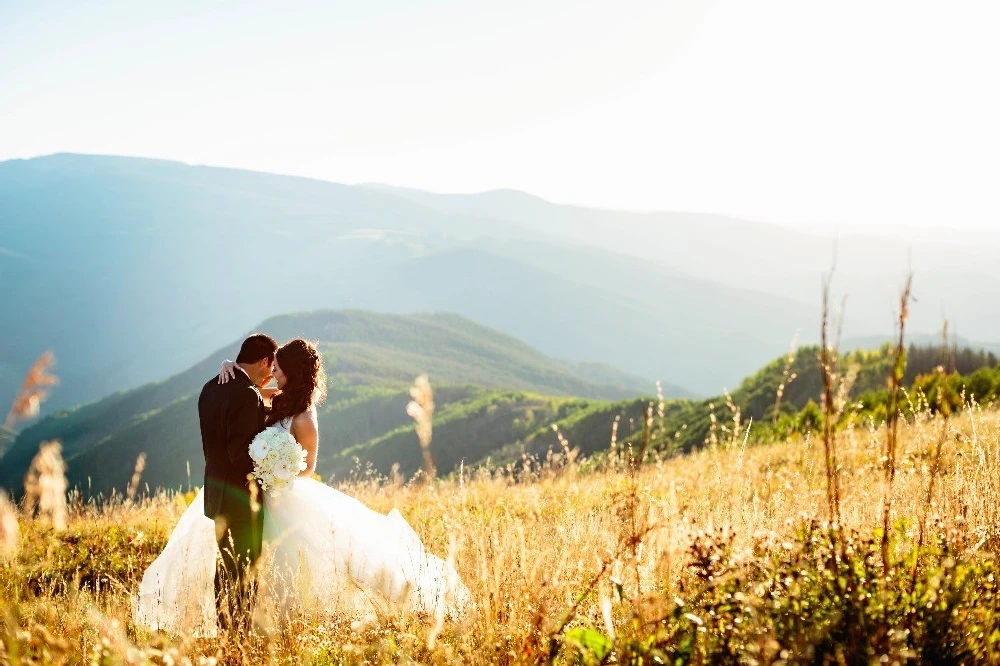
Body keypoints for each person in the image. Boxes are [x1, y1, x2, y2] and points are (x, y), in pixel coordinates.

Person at [132, 338, 469, 636]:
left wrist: (277, 473)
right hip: (256, 495)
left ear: (292, 371)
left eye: (277, 369)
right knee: (245, 565)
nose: (272, 374)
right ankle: (246, 630)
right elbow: (248, 390)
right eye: (272, 366)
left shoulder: (304, 417)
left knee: (284, 564)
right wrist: (230, 366)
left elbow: (308, 468)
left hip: (283, 496)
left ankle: (269, 629)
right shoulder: (275, 398)